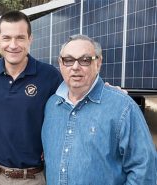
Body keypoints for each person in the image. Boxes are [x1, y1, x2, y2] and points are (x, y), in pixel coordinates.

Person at [41, 34, 157, 185]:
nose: (75, 67)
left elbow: (144, 170)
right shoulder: (51, 106)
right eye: (68, 60)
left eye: (85, 60)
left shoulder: (123, 107)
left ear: (98, 63)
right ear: (60, 64)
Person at [0, 10, 63, 185]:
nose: (13, 44)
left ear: (30, 39)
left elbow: (74, 107)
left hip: (32, 178)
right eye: (7, 38)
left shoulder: (50, 76)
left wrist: (108, 90)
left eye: (20, 37)